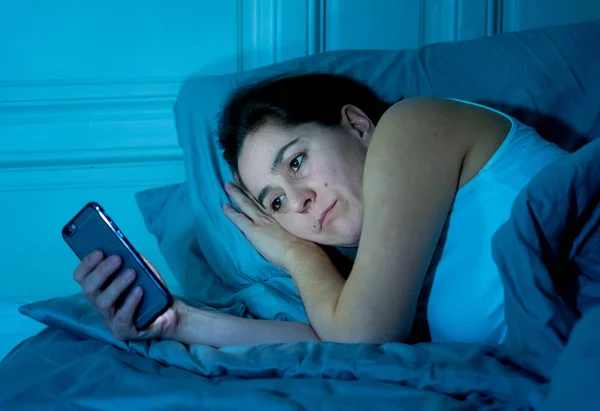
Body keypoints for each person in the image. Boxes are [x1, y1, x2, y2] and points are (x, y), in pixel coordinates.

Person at [72, 74, 566, 347]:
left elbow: (360, 334)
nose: (300, 199)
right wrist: (177, 321)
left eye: (297, 160)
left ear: (357, 124)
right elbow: (329, 334)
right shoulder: (384, 277)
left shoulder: (411, 126)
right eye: (277, 203)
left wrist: (297, 253)